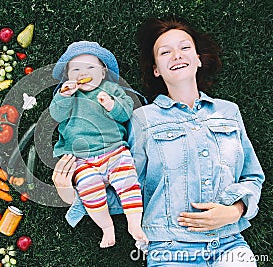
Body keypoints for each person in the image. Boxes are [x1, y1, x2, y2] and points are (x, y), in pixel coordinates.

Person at [52, 18, 264, 266]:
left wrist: (235, 211)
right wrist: (69, 194)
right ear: (156, 69)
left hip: (230, 243)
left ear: (197, 58)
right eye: (165, 52)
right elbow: (128, 185)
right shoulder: (142, 119)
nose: (176, 55)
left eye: (185, 48)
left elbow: (253, 177)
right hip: (169, 248)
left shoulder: (229, 112)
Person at [49, 41, 148, 248]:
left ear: (103, 73)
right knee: (89, 190)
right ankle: (106, 227)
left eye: (90, 67)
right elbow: (56, 115)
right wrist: (64, 95)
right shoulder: (67, 94)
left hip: (114, 151)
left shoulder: (112, 89)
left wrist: (112, 104)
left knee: (128, 182)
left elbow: (125, 112)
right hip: (82, 159)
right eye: (75, 69)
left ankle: (134, 223)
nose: (82, 72)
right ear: (67, 76)